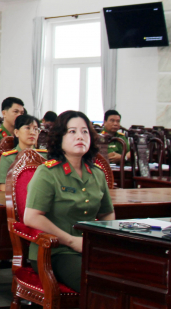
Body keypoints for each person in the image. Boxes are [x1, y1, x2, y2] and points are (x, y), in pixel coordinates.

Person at [24, 110, 114, 292]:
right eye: (72, 131)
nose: (80, 136)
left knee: (131, 276)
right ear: (59, 137)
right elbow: (31, 217)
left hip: (89, 248)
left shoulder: (96, 173)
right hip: (55, 252)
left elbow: (107, 213)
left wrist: (104, 241)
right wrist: (71, 241)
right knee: (98, 283)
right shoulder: (47, 173)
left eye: (85, 131)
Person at [0, 114, 47, 190]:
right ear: (16, 132)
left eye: (36, 129)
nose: (33, 132)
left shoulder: (45, 156)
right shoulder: (8, 158)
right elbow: (4, 188)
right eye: (27, 128)